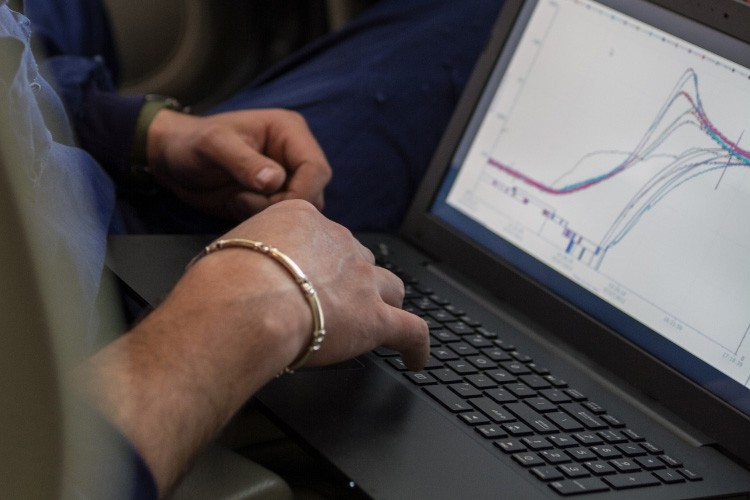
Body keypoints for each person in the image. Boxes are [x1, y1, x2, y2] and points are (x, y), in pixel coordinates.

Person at [0, 0, 506, 496]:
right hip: (81, 321)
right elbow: (41, 474)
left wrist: (140, 131)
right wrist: (254, 302)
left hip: (59, 202)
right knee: (481, 19)